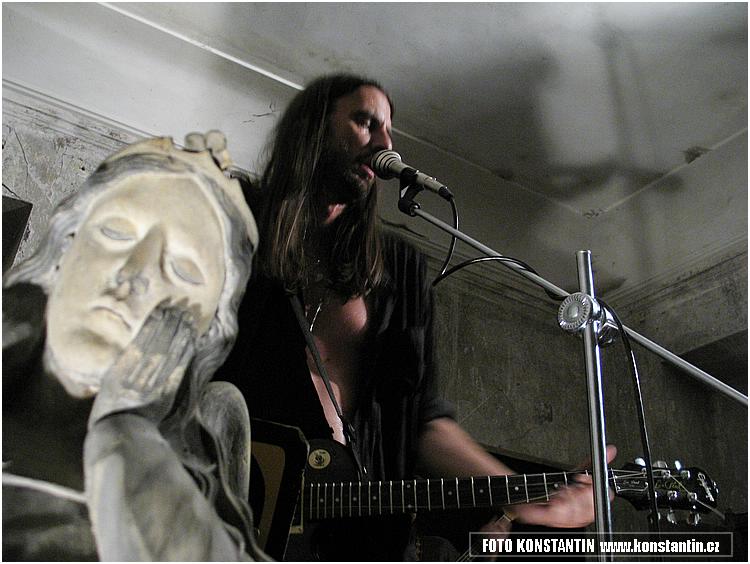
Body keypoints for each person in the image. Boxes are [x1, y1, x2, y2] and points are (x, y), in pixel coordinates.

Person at [216, 74, 615, 560]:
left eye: (389, 130)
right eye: (366, 122)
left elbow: (423, 421)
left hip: (355, 535)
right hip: (220, 508)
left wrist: (523, 493)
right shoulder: (235, 221)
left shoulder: (398, 270)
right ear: (313, 128)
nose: (385, 144)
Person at [2, 133, 267, 561]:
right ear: (65, 247)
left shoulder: (198, 494)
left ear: (205, 333)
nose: (134, 273)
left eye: (182, 270)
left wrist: (127, 434)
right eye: (114, 232)